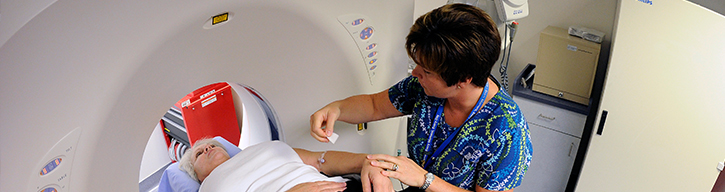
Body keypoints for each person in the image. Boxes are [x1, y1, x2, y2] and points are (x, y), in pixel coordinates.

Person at [309, 3, 532, 192]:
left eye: (426, 71)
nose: (415, 74)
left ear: (462, 80)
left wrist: (424, 179)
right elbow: (375, 106)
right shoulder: (424, 89)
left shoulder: (506, 128)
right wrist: (336, 109)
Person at [178, 138, 394, 192]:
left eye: (212, 145)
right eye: (199, 153)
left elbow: (322, 159)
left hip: (342, 187)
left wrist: (368, 162)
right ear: (199, 177)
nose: (208, 148)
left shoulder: (262, 148)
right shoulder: (210, 187)